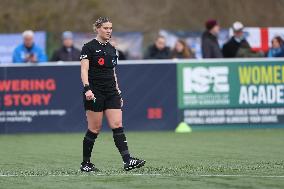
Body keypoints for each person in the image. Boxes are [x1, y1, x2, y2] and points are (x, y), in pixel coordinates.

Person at [80, 17, 145, 172]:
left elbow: (113, 72)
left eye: (110, 28)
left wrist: (118, 91)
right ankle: (86, 163)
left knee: (117, 125)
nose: (109, 31)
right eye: (105, 28)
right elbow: (84, 70)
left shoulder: (112, 48)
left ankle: (127, 160)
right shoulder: (88, 47)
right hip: (95, 92)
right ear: (97, 28)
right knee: (94, 129)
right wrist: (87, 89)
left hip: (111, 93)